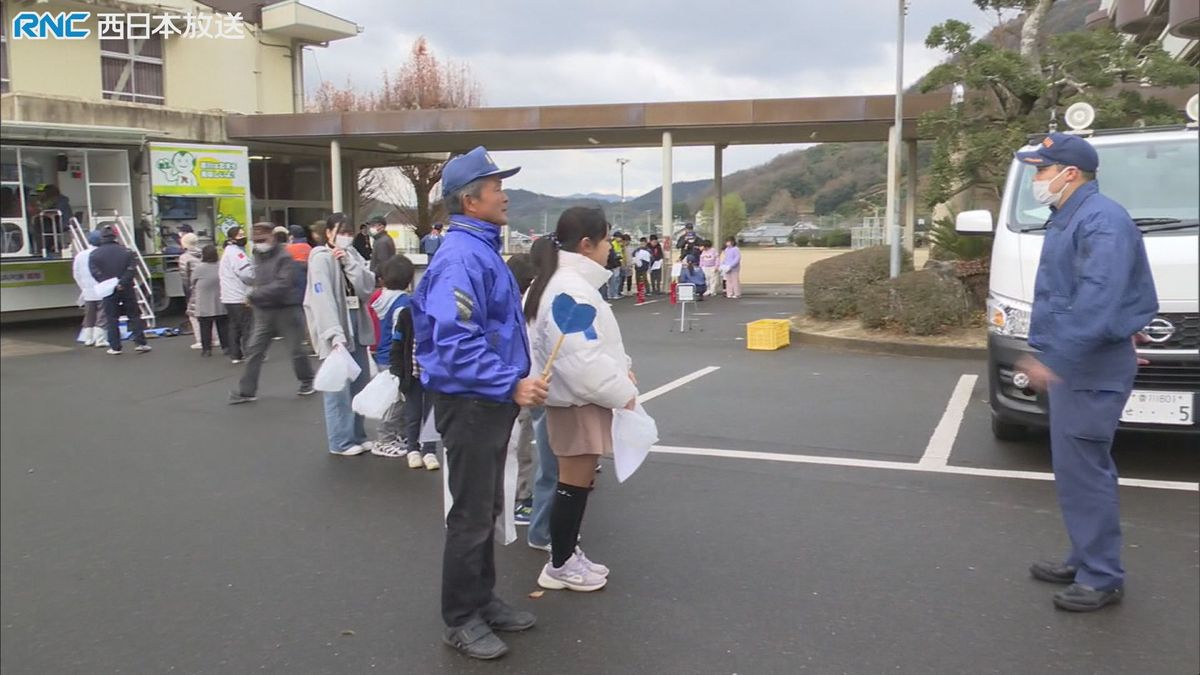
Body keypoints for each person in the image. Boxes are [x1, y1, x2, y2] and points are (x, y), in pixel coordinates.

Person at [1012, 132, 1158, 613]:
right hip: (1084, 357)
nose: (1038, 179)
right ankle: (1084, 556)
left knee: (1086, 471)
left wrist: (1052, 360)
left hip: (1085, 363)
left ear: (1069, 173)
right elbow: (1106, 292)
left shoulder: (1100, 221)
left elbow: (1098, 296)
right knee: (1075, 470)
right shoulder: (1075, 216)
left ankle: (1101, 577)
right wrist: (1122, 327)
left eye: (1041, 169)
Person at [411, 146, 547, 660]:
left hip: (484, 401)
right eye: (496, 187)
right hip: (471, 403)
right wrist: (511, 384)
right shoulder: (462, 256)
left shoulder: (478, 249)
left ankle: (482, 601)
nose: (505, 194)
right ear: (472, 202)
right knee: (469, 514)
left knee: (485, 507)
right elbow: (455, 340)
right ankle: (460, 619)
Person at [526, 206, 635, 595]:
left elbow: (589, 348)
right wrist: (624, 392)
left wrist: (622, 371)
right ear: (587, 244)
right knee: (571, 486)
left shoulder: (558, 281)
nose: (611, 248)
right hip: (576, 401)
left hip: (572, 398)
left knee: (574, 484)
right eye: (607, 240)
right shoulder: (570, 287)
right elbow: (582, 359)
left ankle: (566, 555)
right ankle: (559, 564)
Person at [304, 214, 377, 456]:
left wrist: (348, 262)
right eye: (341, 231)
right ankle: (340, 440)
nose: (346, 236)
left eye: (349, 231)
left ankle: (357, 433)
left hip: (357, 321)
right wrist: (333, 333)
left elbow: (367, 287)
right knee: (338, 387)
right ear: (328, 233)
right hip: (335, 325)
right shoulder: (320, 259)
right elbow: (321, 298)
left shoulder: (352, 255)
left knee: (360, 381)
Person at [229, 223, 315, 404]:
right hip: (264, 310)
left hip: (287, 310)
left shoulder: (285, 257)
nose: (259, 243)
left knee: (296, 350)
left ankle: (307, 380)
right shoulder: (257, 256)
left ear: (272, 237)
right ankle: (246, 391)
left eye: (263, 239)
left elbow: (283, 284)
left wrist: (255, 294)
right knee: (254, 350)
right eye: (256, 240)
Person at [372, 254, 437, 467]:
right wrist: (398, 370)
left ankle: (427, 449)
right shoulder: (405, 311)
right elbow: (398, 342)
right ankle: (409, 446)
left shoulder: (380, 298)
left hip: (425, 373)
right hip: (410, 371)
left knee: (426, 412)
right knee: (408, 410)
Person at [505, 253, 538, 526]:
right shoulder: (520, 304)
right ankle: (519, 499)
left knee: (514, 443)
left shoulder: (501, 301)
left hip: (505, 383)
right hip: (518, 383)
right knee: (519, 444)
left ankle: (514, 495)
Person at [89, 224, 151, 354]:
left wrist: (107, 282)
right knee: (134, 315)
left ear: (102, 238)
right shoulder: (127, 251)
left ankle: (115, 346)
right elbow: (132, 269)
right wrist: (122, 282)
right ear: (115, 237)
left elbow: (95, 272)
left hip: (108, 289)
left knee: (111, 318)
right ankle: (140, 343)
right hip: (126, 287)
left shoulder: (95, 254)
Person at [219, 226, 255, 363]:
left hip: (228, 296)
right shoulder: (237, 254)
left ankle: (235, 354)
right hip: (239, 295)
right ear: (232, 237)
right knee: (247, 326)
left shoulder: (227, 252)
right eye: (240, 235)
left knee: (234, 326)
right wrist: (255, 279)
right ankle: (249, 353)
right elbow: (246, 273)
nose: (243, 237)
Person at [191, 244, 229, 357]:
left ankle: (207, 349)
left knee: (205, 327)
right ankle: (226, 346)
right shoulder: (221, 265)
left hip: (204, 301)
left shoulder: (199, 268)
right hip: (219, 299)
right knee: (223, 325)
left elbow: (192, 281)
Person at [72, 229, 107, 346]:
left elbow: (76, 273)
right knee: (102, 314)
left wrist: (83, 287)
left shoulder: (80, 255)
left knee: (89, 315)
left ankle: (88, 339)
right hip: (102, 289)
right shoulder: (103, 253)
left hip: (87, 290)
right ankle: (100, 340)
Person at [177, 232, 205, 348]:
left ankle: (200, 340)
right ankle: (214, 338)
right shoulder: (203, 253)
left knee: (193, 314)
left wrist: (187, 290)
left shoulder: (184, 257)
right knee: (209, 313)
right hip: (207, 285)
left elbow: (185, 277)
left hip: (195, 287)